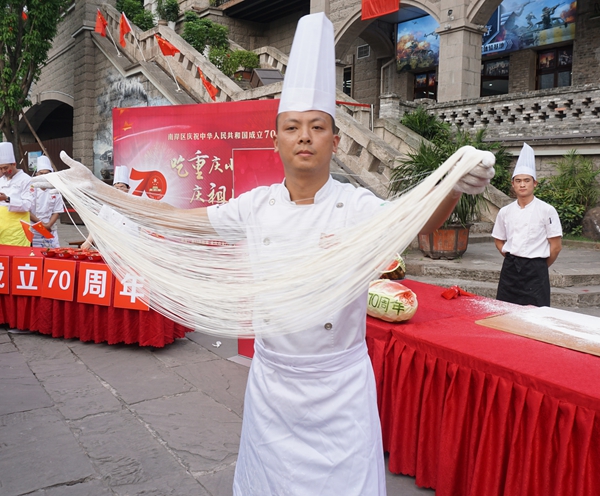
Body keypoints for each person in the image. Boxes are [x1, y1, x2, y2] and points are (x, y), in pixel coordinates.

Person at [32, 14, 495, 495]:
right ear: (275, 139)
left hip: (340, 386)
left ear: (334, 141)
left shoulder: (356, 206)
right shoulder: (256, 207)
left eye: (317, 127)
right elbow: (173, 219)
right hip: (274, 385)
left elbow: (416, 222)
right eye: (292, 127)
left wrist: (454, 190)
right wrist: (96, 192)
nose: (304, 136)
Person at [492, 143, 562, 307]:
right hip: (510, 269)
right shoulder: (505, 211)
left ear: (534, 183)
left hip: (536, 270)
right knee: (504, 311)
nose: (522, 184)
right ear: (513, 184)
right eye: (518, 181)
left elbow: (556, 246)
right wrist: (513, 256)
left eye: (526, 181)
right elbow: (498, 240)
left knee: (536, 315)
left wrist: (539, 265)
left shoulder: (547, 210)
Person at [81, 165, 131, 250]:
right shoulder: (108, 205)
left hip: (130, 246)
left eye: (122, 187)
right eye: (116, 187)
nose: (119, 190)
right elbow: (98, 223)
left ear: (128, 188)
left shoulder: (134, 204)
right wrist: (88, 241)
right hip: (112, 245)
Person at [0, 142, 33, 246]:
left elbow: (28, 205)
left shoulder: (26, 180)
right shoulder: (1, 180)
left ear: (14, 164)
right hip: (2, 227)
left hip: (18, 227)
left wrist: (7, 199)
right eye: (0, 168)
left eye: (5, 168)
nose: (3, 171)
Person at [29, 156, 65, 248]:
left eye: (46, 174)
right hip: (33, 227)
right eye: (41, 173)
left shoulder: (55, 188)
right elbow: (27, 210)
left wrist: (48, 225)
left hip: (50, 228)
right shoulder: (31, 188)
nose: (43, 176)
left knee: (52, 253)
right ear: (37, 174)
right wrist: (41, 225)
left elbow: (57, 211)